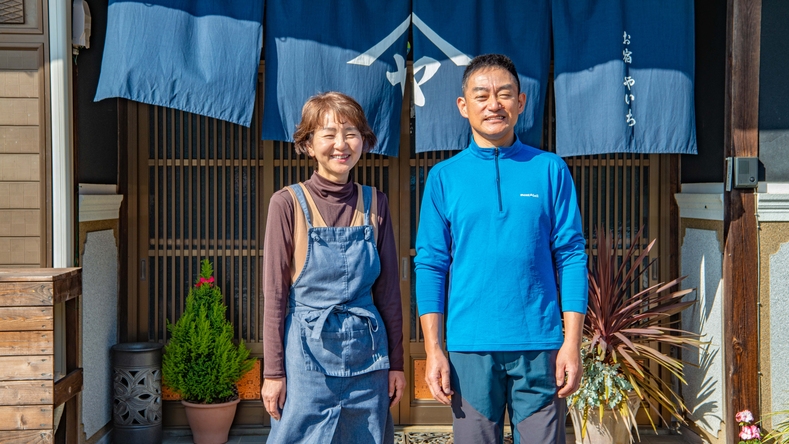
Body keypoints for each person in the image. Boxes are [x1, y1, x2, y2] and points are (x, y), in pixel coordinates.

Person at [414, 54, 588, 444]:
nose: (494, 104)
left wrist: (572, 344)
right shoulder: (444, 178)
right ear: (464, 106)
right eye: (481, 95)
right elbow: (430, 265)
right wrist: (435, 349)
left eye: (505, 94)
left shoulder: (550, 169)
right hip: (469, 348)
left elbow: (572, 256)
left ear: (521, 102)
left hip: (539, 345)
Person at [261, 92, 405, 444]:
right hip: (305, 357)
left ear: (363, 142)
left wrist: (397, 364)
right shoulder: (287, 203)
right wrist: (273, 372)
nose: (341, 144)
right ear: (309, 145)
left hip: (368, 355)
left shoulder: (376, 202)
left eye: (351, 133)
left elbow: (388, 293)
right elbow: (275, 295)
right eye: (328, 134)